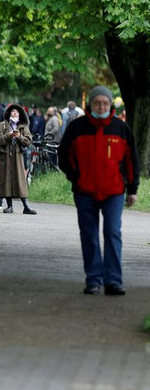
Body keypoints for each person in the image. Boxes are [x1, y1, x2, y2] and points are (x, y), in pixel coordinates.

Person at [58, 86, 139, 296]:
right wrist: (75, 177)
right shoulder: (77, 127)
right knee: (89, 235)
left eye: (105, 102)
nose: (101, 106)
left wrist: (132, 189)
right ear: (90, 104)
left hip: (113, 192)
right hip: (85, 192)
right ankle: (93, 279)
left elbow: (132, 160)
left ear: (110, 104)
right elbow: (64, 155)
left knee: (112, 233)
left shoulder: (120, 128)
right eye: (97, 102)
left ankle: (113, 281)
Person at [0, 104, 37, 215]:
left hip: (18, 156)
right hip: (5, 156)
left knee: (20, 181)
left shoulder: (23, 126)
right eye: (12, 111)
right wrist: (9, 135)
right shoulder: (1, 125)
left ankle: (26, 206)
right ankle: (9, 206)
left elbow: (28, 141)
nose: (14, 113)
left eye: (17, 112)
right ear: (8, 113)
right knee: (7, 180)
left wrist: (19, 137)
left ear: (20, 114)